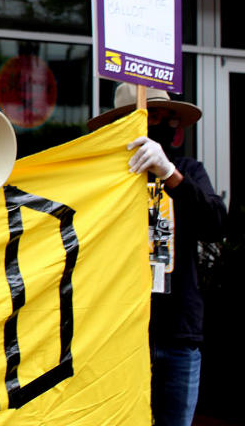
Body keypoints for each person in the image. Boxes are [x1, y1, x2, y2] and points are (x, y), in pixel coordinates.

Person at [87, 83, 227, 426]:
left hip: (178, 333)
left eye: (170, 118)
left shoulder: (188, 171)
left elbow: (215, 225)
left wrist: (170, 174)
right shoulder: (102, 179)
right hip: (119, 333)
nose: (166, 125)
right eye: (154, 116)